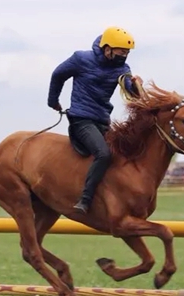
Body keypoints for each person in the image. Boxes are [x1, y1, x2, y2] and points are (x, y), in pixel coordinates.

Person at [47, 26, 143, 214]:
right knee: (103, 154)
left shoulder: (122, 68)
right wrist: (53, 101)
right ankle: (85, 200)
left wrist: (136, 87)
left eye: (127, 52)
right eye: (121, 51)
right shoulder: (81, 59)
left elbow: (129, 89)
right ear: (107, 48)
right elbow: (58, 75)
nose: (124, 56)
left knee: (120, 154)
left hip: (102, 121)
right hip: (81, 119)